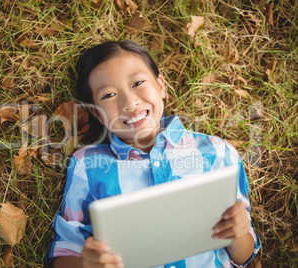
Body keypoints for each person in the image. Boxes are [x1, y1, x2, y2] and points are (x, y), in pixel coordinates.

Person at [47, 40, 261, 268]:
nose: (129, 102)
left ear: (161, 86)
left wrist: (238, 233)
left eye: (138, 83)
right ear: (98, 115)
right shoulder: (87, 165)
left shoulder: (218, 153)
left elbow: (244, 256)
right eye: (108, 95)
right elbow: (65, 253)